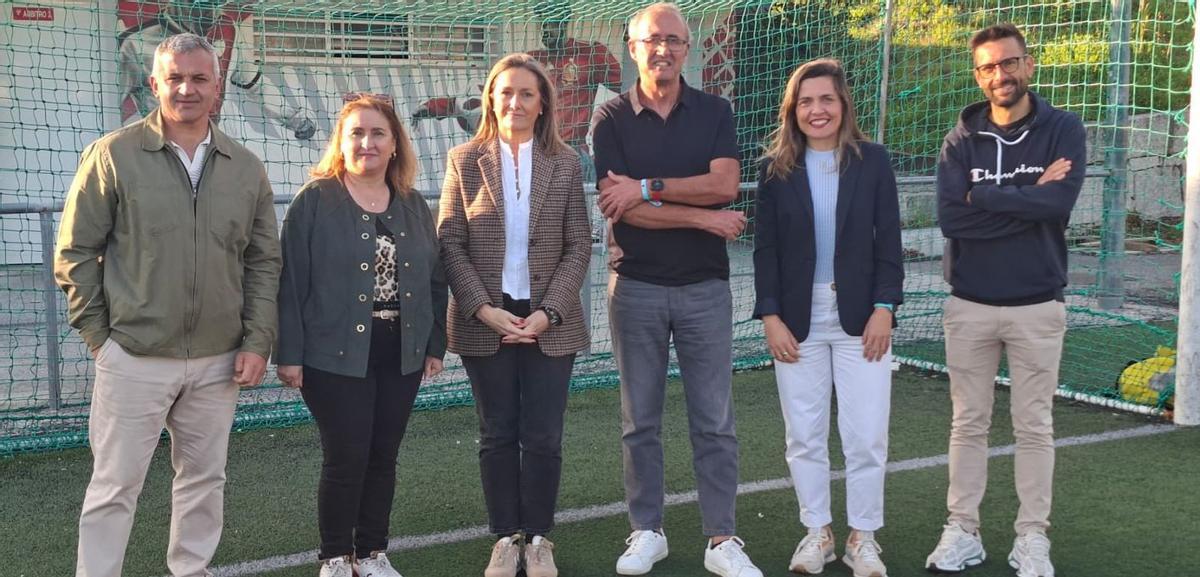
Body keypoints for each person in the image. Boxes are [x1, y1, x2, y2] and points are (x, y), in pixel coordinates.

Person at [54, 33, 281, 577]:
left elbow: (263, 262)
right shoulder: (113, 155)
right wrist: (100, 340)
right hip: (132, 355)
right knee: (114, 484)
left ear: (216, 85)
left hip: (218, 360)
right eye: (175, 78)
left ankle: (191, 569)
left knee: (204, 479)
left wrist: (256, 340)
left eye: (199, 78)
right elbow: (76, 252)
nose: (187, 89)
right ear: (154, 84)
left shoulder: (246, 167)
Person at [590, 4, 761, 577]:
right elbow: (623, 213)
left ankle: (722, 539)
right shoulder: (610, 117)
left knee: (714, 418)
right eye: (651, 40)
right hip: (634, 286)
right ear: (632, 48)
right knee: (640, 419)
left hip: (704, 290)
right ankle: (647, 530)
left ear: (687, 49)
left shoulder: (714, 110)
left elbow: (725, 184)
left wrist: (649, 188)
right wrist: (704, 220)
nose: (662, 49)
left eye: (673, 40)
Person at [925, 23, 1085, 577]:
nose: (1001, 75)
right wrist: (1028, 195)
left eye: (1009, 63)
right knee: (968, 423)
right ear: (978, 74)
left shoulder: (1063, 128)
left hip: (1038, 303)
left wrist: (986, 198)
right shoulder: (959, 140)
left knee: (1033, 425)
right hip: (969, 303)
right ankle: (962, 530)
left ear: (1029, 64)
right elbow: (950, 218)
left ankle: (1031, 538)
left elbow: (1059, 206)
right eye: (989, 67)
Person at [274, 92, 447, 577]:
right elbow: (290, 283)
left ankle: (371, 553)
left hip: (401, 350)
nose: (366, 142)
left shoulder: (413, 204)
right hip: (333, 353)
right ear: (341, 142)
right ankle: (334, 557)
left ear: (395, 144)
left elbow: (435, 280)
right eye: (356, 133)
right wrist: (289, 354)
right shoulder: (315, 200)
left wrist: (434, 345)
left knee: (383, 456)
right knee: (347, 455)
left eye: (378, 133)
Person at [437, 53, 591, 577]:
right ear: (490, 99)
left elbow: (579, 244)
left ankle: (540, 538)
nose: (515, 102)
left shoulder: (567, 161)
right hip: (488, 319)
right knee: (498, 432)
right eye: (505, 92)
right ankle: (506, 538)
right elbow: (450, 242)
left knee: (544, 434)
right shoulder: (463, 158)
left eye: (527, 93)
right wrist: (484, 309)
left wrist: (548, 312)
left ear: (542, 101)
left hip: (551, 319)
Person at [753, 59, 903, 577]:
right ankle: (818, 532)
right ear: (793, 110)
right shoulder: (775, 169)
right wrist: (770, 315)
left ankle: (863, 537)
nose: (817, 111)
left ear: (843, 106)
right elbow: (764, 252)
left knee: (865, 434)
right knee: (805, 435)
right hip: (797, 321)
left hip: (863, 319)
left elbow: (890, 242)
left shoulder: (874, 161)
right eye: (806, 101)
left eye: (827, 100)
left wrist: (885, 308)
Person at [528, 0, 623, 184]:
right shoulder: (532, 60)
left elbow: (626, 88)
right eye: (542, 22)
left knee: (581, 212)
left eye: (552, 22)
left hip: (574, 151)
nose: (546, 29)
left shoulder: (590, 53)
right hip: (538, 149)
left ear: (565, 22)